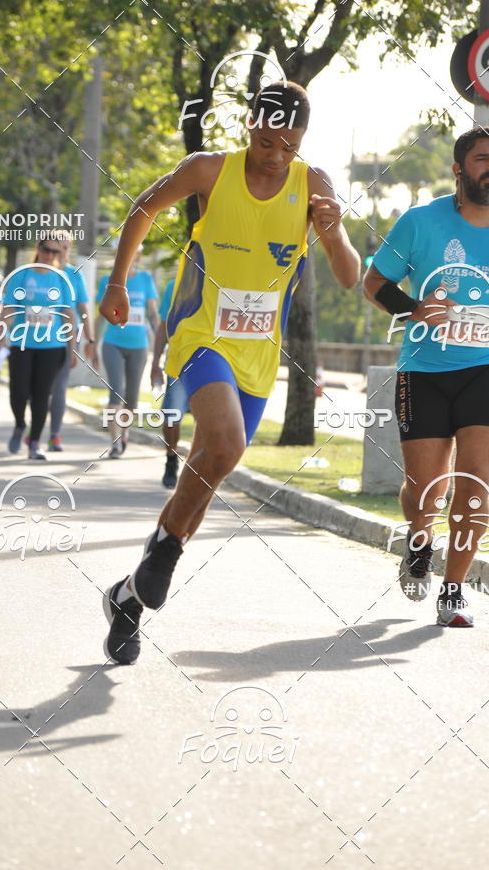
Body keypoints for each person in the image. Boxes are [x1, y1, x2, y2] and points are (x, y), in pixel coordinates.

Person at [99, 81, 360, 664]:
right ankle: (162, 557)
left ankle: (133, 590)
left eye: (288, 147)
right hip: (201, 331)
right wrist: (118, 281)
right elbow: (144, 207)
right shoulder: (208, 170)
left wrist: (334, 227)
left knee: (214, 465)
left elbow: (348, 275)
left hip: (259, 353)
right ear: (249, 125)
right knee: (224, 442)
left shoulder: (313, 184)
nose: (275, 157)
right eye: (267, 141)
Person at [363, 125, 489, 628]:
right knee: (424, 490)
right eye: (484, 158)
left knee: (474, 485)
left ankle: (454, 590)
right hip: (423, 369)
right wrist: (414, 308)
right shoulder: (420, 223)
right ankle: (419, 542)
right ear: (459, 169)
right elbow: (374, 283)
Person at [2, 232, 77, 460]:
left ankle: (34, 442)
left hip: (52, 345)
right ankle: (19, 424)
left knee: (42, 395)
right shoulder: (22, 275)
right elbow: (9, 309)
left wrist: (72, 348)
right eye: (46, 249)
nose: (50, 255)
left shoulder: (62, 277)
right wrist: (1, 335)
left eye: (55, 251)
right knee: (19, 391)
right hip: (22, 342)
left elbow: (68, 314)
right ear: (38, 248)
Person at [95, 248, 159, 459]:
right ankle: (114, 444)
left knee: (131, 398)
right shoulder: (107, 280)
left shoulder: (145, 279)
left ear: (138, 257)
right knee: (117, 391)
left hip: (139, 345)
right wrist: (93, 342)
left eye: (134, 254)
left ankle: (124, 432)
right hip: (113, 343)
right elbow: (99, 315)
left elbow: (153, 314)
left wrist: (161, 341)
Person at [47, 231, 98, 451]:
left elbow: (83, 309)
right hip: (36, 339)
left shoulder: (73, 275)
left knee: (59, 388)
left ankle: (54, 435)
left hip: (66, 339)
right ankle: (35, 426)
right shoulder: (41, 272)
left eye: (67, 246)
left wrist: (90, 339)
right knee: (38, 390)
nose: (64, 251)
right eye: (60, 246)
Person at [150, 277, 190, 488]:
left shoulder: (220, 281)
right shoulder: (174, 285)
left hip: (210, 361)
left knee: (209, 418)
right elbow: (163, 325)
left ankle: (196, 469)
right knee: (171, 415)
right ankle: (171, 458)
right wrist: (155, 362)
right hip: (178, 361)